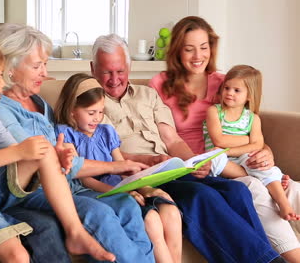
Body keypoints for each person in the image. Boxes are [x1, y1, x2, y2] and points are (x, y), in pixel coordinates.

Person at [91, 33, 286, 263]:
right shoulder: (91, 104)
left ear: (130, 67)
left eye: (120, 71)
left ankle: (264, 256)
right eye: (107, 72)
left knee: (236, 191)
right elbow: (103, 154)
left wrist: (195, 162)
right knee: (199, 196)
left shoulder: (148, 95)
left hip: (170, 168)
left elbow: (172, 140)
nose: (115, 79)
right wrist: (146, 160)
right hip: (138, 176)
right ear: (93, 69)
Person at [0, 39, 115, 262]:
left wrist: (56, 155)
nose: (3, 83)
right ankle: (75, 232)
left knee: (42, 148)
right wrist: (21, 152)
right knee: (17, 256)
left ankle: (75, 232)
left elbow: (20, 151)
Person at [0, 23, 156, 263]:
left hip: (69, 187)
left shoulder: (40, 103)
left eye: (45, 64)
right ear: (9, 69)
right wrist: (114, 166)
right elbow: (41, 157)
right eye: (37, 66)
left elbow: (65, 154)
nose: (45, 73)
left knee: (125, 204)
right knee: (99, 214)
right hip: (27, 194)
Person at [149, 15, 300, 262]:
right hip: (201, 166)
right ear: (177, 50)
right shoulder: (160, 85)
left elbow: (250, 125)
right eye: (189, 49)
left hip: (239, 158)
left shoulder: (225, 82)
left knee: (291, 188)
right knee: (257, 190)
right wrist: (196, 162)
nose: (198, 56)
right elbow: (164, 137)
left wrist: (266, 151)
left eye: (204, 47)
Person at [54, 73, 182, 263]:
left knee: (171, 213)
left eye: (101, 111)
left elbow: (123, 168)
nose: (97, 118)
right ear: (72, 110)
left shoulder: (106, 132)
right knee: (152, 221)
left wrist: (145, 188)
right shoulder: (66, 135)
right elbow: (84, 178)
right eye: (91, 113)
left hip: (123, 188)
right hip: (98, 192)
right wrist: (120, 193)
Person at [204, 64, 300, 221]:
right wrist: (247, 141)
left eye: (237, 90)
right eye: (227, 88)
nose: (229, 93)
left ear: (249, 95)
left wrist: (229, 150)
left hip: (240, 158)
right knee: (212, 156)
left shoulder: (252, 118)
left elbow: (257, 146)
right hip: (220, 159)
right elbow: (219, 140)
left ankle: (284, 204)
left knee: (261, 163)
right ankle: (262, 178)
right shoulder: (214, 111)